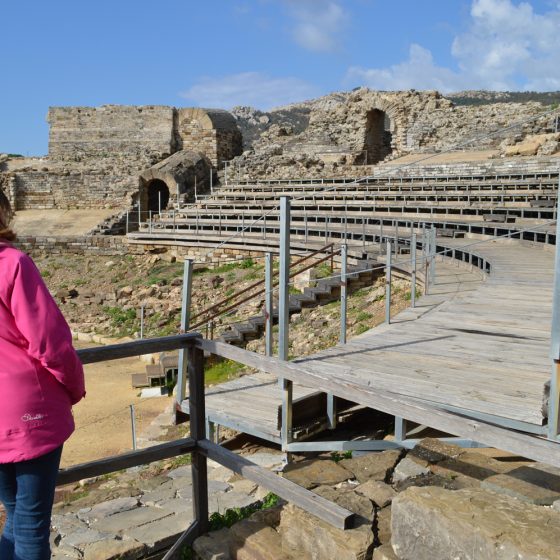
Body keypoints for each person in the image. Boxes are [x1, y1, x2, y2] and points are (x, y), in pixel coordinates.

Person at [0, 190, 85, 560]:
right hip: (25, 411)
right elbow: (49, 341)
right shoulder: (11, 263)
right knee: (32, 522)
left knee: (15, 513)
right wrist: (74, 386)